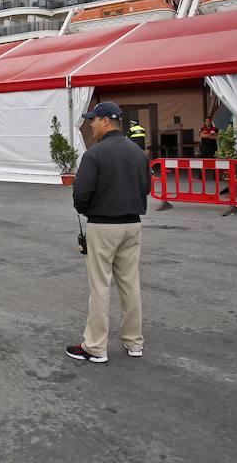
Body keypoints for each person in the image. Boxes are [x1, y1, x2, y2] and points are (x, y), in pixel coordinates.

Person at [67, 102, 151, 363]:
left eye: (92, 120)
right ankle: (134, 342)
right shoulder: (139, 153)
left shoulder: (95, 154)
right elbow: (146, 187)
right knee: (130, 284)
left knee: (100, 286)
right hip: (132, 224)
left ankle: (95, 347)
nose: (90, 124)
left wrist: (87, 208)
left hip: (103, 226)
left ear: (105, 120)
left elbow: (81, 194)